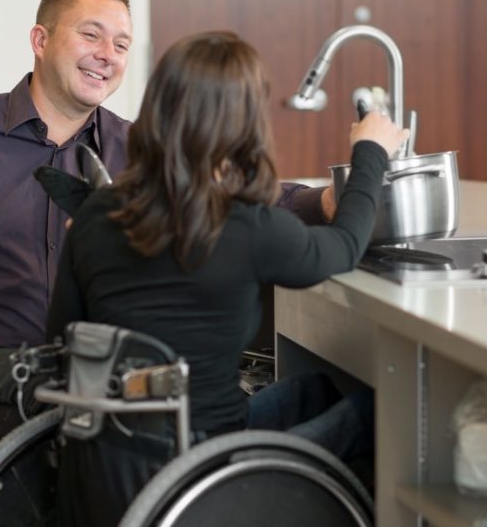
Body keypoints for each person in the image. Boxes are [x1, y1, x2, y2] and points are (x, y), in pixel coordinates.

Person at [0, 0, 333, 449]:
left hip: (84, 368)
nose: (106, 55)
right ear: (41, 41)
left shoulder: (136, 149)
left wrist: (328, 201)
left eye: (121, 44)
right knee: (114, 388)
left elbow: (238, 195)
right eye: (91, 35)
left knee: (220, 392)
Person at [45, 31, 408, 526]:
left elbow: (60, 338)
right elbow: (344, 247)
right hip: (205, 469)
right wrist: (371, 152)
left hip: (111, 461)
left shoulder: (99, 212)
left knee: (314, 391)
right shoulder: (243, 224)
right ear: (245, 125)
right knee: (371, 412)